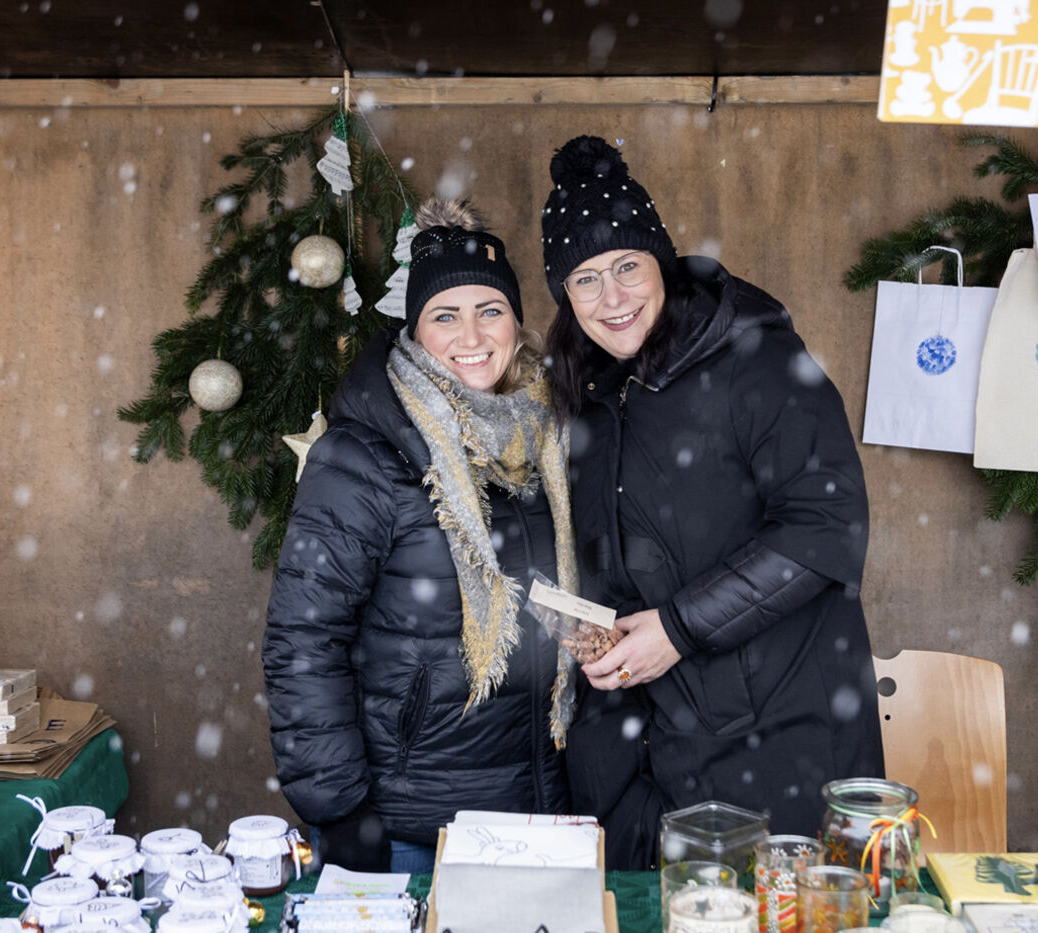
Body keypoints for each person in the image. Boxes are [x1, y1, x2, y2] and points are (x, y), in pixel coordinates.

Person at [538, 135, 884, 870]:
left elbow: (827, 525)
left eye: (627, 267)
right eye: (585, 279)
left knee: (780, 926)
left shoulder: (758, 364)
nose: (612, 298)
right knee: (656, 932)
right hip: (644, 751)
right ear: (565, 298)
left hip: (777, 735)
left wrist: (679, 627)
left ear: (660, 264)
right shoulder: (586, 395)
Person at [262, 198, 576, 873]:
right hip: (414, 822)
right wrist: (338, 808)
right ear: (413, 332)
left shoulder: (544, 438)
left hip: (539, 809)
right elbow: (304, 641)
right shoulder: (363, 457)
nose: (472, 334)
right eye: (445, 315)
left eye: (490, 310)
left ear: (516, 323)